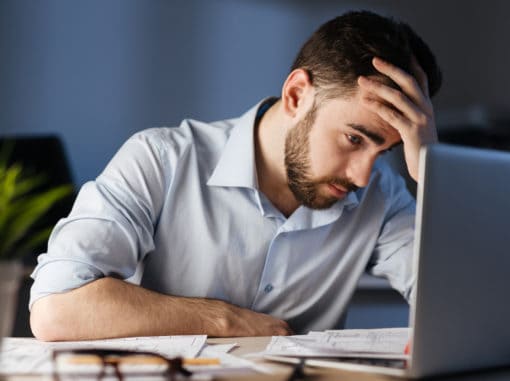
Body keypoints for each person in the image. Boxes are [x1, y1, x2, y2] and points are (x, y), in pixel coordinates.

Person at [29, 10, 442, 341]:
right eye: (354, 138)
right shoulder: (160, 159)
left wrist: (434, 171)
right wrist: (223, 319)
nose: (363, 174)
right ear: (297, 95)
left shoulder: (381, 193)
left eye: (386, 151)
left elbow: (468, 314)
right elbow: (56, 308)